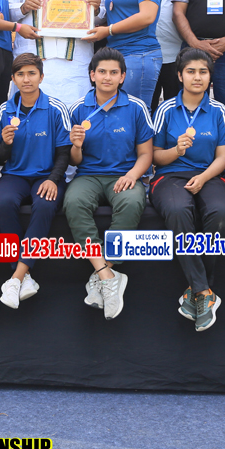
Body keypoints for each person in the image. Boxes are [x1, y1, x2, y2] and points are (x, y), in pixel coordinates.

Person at [66, 48, 154, 320]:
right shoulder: (79, 108)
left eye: (114, 72)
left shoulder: (136, 107)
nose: (107, 77)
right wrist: (76, 145)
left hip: (125, 174)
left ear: (122, 77)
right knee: (73, 202)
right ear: (92, 75)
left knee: (132, 203)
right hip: (88, 175)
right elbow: (74, 160)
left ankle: (102, 273)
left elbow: (146, 154)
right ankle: (106, 275)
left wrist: (132, 175)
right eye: (102, 71)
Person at [150, 48, 225, 331]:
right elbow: (155, 157)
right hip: (170, 176)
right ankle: (203, 291)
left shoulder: (219, 110)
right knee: (177, 210)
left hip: (210, 175)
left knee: (220, 212)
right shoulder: (165, 109)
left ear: (210, 77)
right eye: (191, 71)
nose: (197, 77)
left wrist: (203, 176)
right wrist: (176, 150)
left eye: (203, 72)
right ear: (179, 76)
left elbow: (223, 157)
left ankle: (196, 290)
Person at [0, 53, 72, 309]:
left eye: (31, 73)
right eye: (20, 74)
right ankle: (23, 276)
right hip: (15, 175)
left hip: (47, 175)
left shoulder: (56, 108)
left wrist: (53, 179)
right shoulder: (5, 110)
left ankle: (15, 277)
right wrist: (5, 144)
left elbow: (64, 153)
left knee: (45, 204)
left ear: (41, 76)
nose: (26, 79)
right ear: (13, 79)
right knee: (3, 202)